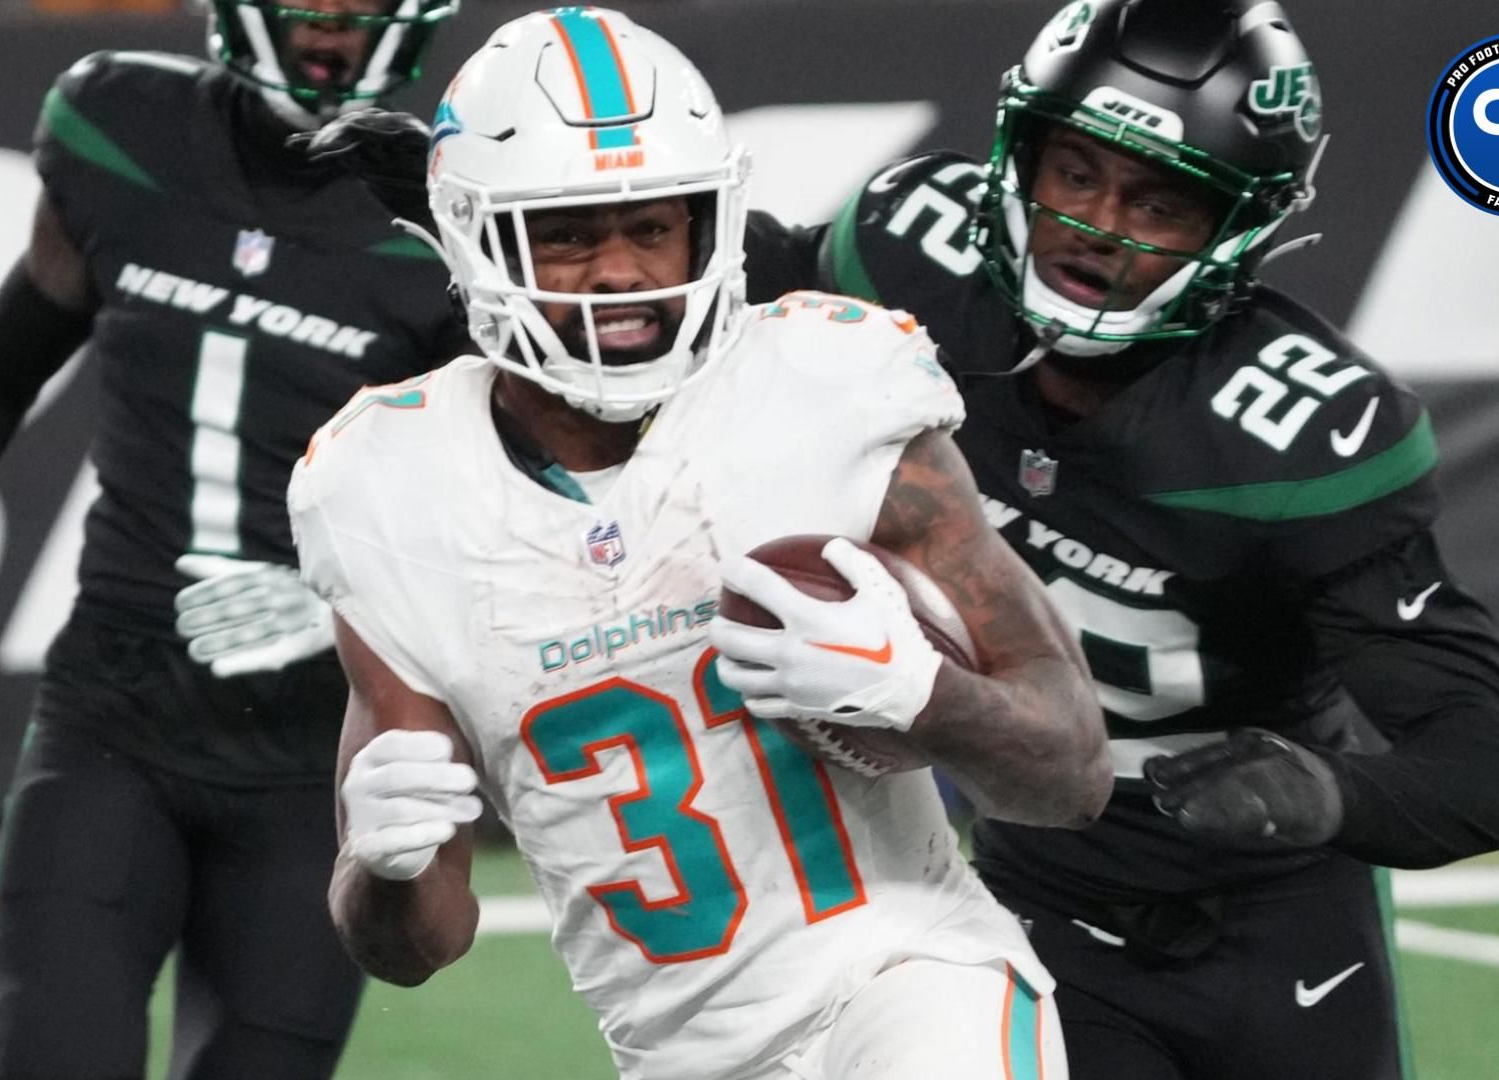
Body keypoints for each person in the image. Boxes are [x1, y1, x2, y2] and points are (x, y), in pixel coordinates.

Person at [289, 9, 1112, 1079]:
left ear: (708, 224)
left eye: (651, 226)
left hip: (911, 981)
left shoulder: (827, 392)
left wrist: (919, 691)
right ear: (476, 240)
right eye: (573, 234)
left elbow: (1075, 771)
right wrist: (380, 864)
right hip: (679, 1052)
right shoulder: (388, 486)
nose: (623, 274)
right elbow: (415, 948)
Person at [782, 1, 1499, 1077]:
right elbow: (678, 317)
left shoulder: (1293, 437)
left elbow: (1495, 770)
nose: (1099, 227)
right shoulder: (910, 267)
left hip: (1272, 918)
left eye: (1161, 202)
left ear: (1240, 227)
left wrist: (1327, 793)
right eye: (1077, 173)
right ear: (1022, 154)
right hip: (1037, 891)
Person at [0, 1, 468, 1076]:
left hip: (315, 757)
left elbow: (509, 507)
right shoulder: (123, 123)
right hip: (112, 722)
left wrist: (336, 605)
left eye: (363, 8)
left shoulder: (450, 215)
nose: (336, 28)